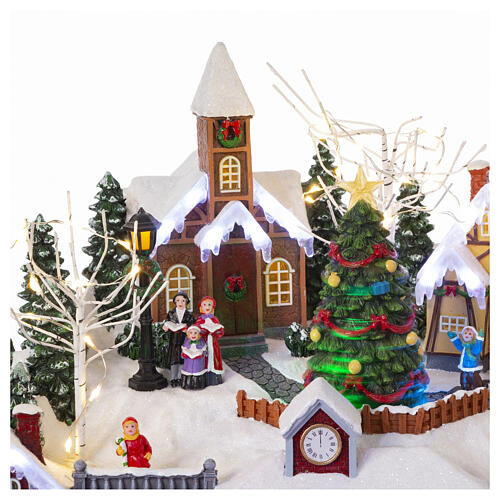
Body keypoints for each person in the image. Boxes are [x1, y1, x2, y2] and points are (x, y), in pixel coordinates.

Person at [163, 291, 195, 387]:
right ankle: (174, 378)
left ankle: (181, 377)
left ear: (186, 302)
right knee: (174, 359)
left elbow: (193, 325)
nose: (180, 303)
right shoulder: (171, 313)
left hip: (184, 339)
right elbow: (167, 322)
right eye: (178, 300)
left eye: (183, 301)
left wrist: (188, 329)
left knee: (183, 358)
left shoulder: (189, 314)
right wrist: (165, 327)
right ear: (175, 302)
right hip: (174, 340)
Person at [194, 296, 224, 386]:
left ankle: (215, 376)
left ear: (212, 307)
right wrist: (203, 332)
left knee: (214, 357)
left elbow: (220, 332)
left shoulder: (215, 319)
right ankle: (204, 377)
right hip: (204, 342)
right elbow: (196, 331)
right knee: (204, 358)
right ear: (201, 307)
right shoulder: (200, 319)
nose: (207, 307)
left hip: (213, 343)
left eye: (209, 305)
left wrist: (216, 331)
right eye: (205, 305)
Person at [447, 326, 484, 390]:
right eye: (465, 333)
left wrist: (479, 340)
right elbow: (458, 345)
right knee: (464, 382)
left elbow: (477, 349)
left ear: (474, 336)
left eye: (470, 334)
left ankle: (478, 392)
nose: (467, 335)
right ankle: (465, 391)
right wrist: (454, 338)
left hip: (472, 369)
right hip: (464, 369)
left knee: (476, 383)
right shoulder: (464, 346)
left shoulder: (473, 346)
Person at [180, 325, 207, 390]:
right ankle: (187, 384)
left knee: (197, 374)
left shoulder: (201, 342)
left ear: (199, 334)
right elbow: (183, 353)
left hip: (198, 365)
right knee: (187, 374)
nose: (193, 335)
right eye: (191, 333)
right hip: (188, 364)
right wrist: (185, 353)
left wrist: (201, 354)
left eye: (195, 333)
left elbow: (204, 352)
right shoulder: (186, 342)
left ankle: (197, 385)